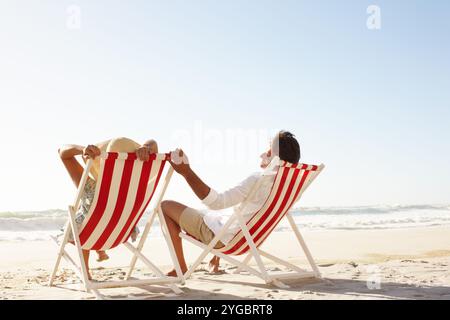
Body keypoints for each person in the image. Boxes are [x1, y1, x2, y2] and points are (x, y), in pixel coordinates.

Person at [161, 131, 301, 276]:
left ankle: (180, 267)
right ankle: (214, 261)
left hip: (226, 241)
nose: (261, 155)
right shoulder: (292, 187)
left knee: (165, 206)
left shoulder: (258, 180)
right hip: (250, 241)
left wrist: (187, 172)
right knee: (225, 216)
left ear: (276, 160)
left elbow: (216, 202)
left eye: (268, 153)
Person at [58, 137, 158, 279]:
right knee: (95, 210)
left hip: (90, 234)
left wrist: (83, 149)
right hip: (120, 232)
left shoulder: (92, 187)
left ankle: (85, 268)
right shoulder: (135, 190)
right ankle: (99, 250)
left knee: (85, 211)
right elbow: (153, 143)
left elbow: (62, 153)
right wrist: (146, 147)